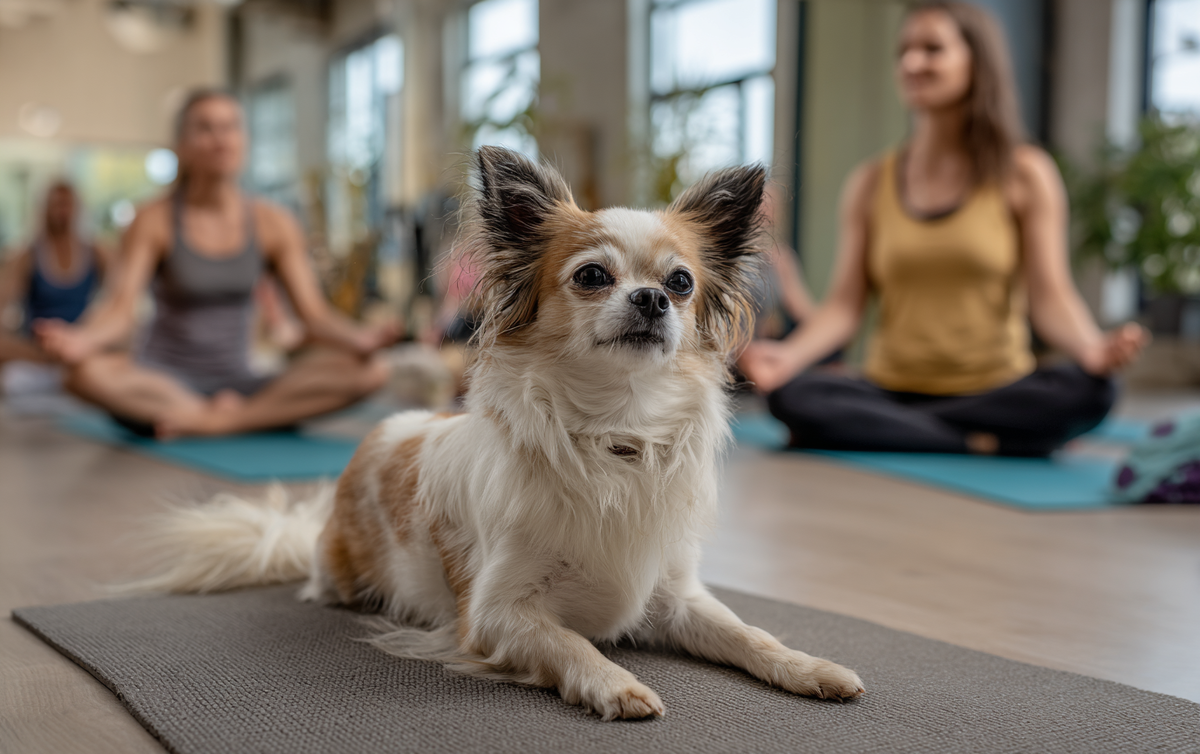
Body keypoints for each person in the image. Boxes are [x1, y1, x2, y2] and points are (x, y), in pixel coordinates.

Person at [739, 1, 1148, 457]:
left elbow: (1051, 298)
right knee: (793, 395)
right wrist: (788, 358)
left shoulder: (1026, 174)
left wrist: (1091, 348)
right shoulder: (870, 183)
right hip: (889, 388)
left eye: (933, 49)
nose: (913, 63)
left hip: (995, 392)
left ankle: (904, 434)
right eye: (905, 51)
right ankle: (978, 443)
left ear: (977, 61)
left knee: (1093, 390)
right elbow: (843, 307)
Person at [36, 89, 395, 439]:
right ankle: (217, 413)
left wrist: (358, 338)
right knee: (79, 374)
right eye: (206, 128)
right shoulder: (153, 219)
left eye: (231, 127)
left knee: (371, 372)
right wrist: (81, 340)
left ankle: (222, 422)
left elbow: (313, 315)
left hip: (241, 380)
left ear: (245, 140)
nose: (221, 139)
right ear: (181, 145)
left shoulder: (274, 222)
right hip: (162, 384)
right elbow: (120, 309)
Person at [0, 181, 106, 369]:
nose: (62, 211)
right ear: (45, 209)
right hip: (37, 347)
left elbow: (118, 301)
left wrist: (89, 336)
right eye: (56, 204)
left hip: (80, 344)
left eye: (67, 204)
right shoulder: (27, 255)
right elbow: (4, 300)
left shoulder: (96, 252)